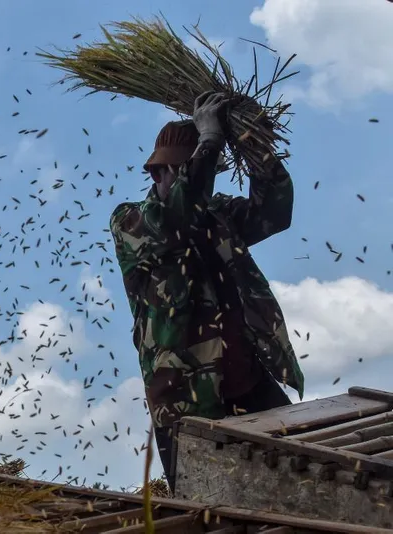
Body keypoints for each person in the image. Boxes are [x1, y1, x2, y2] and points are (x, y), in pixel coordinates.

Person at [109, 91, 304, 493]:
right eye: (179, 173)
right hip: (186, 403)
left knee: (304, 474)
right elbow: (177, 220)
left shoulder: (218, 216)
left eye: (192, 171)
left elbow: (272, 215)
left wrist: (255, 148)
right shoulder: (133, 223)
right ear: (157, 175)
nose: (188, 181)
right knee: (210, 505)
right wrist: (210, 141)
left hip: (248, 385)